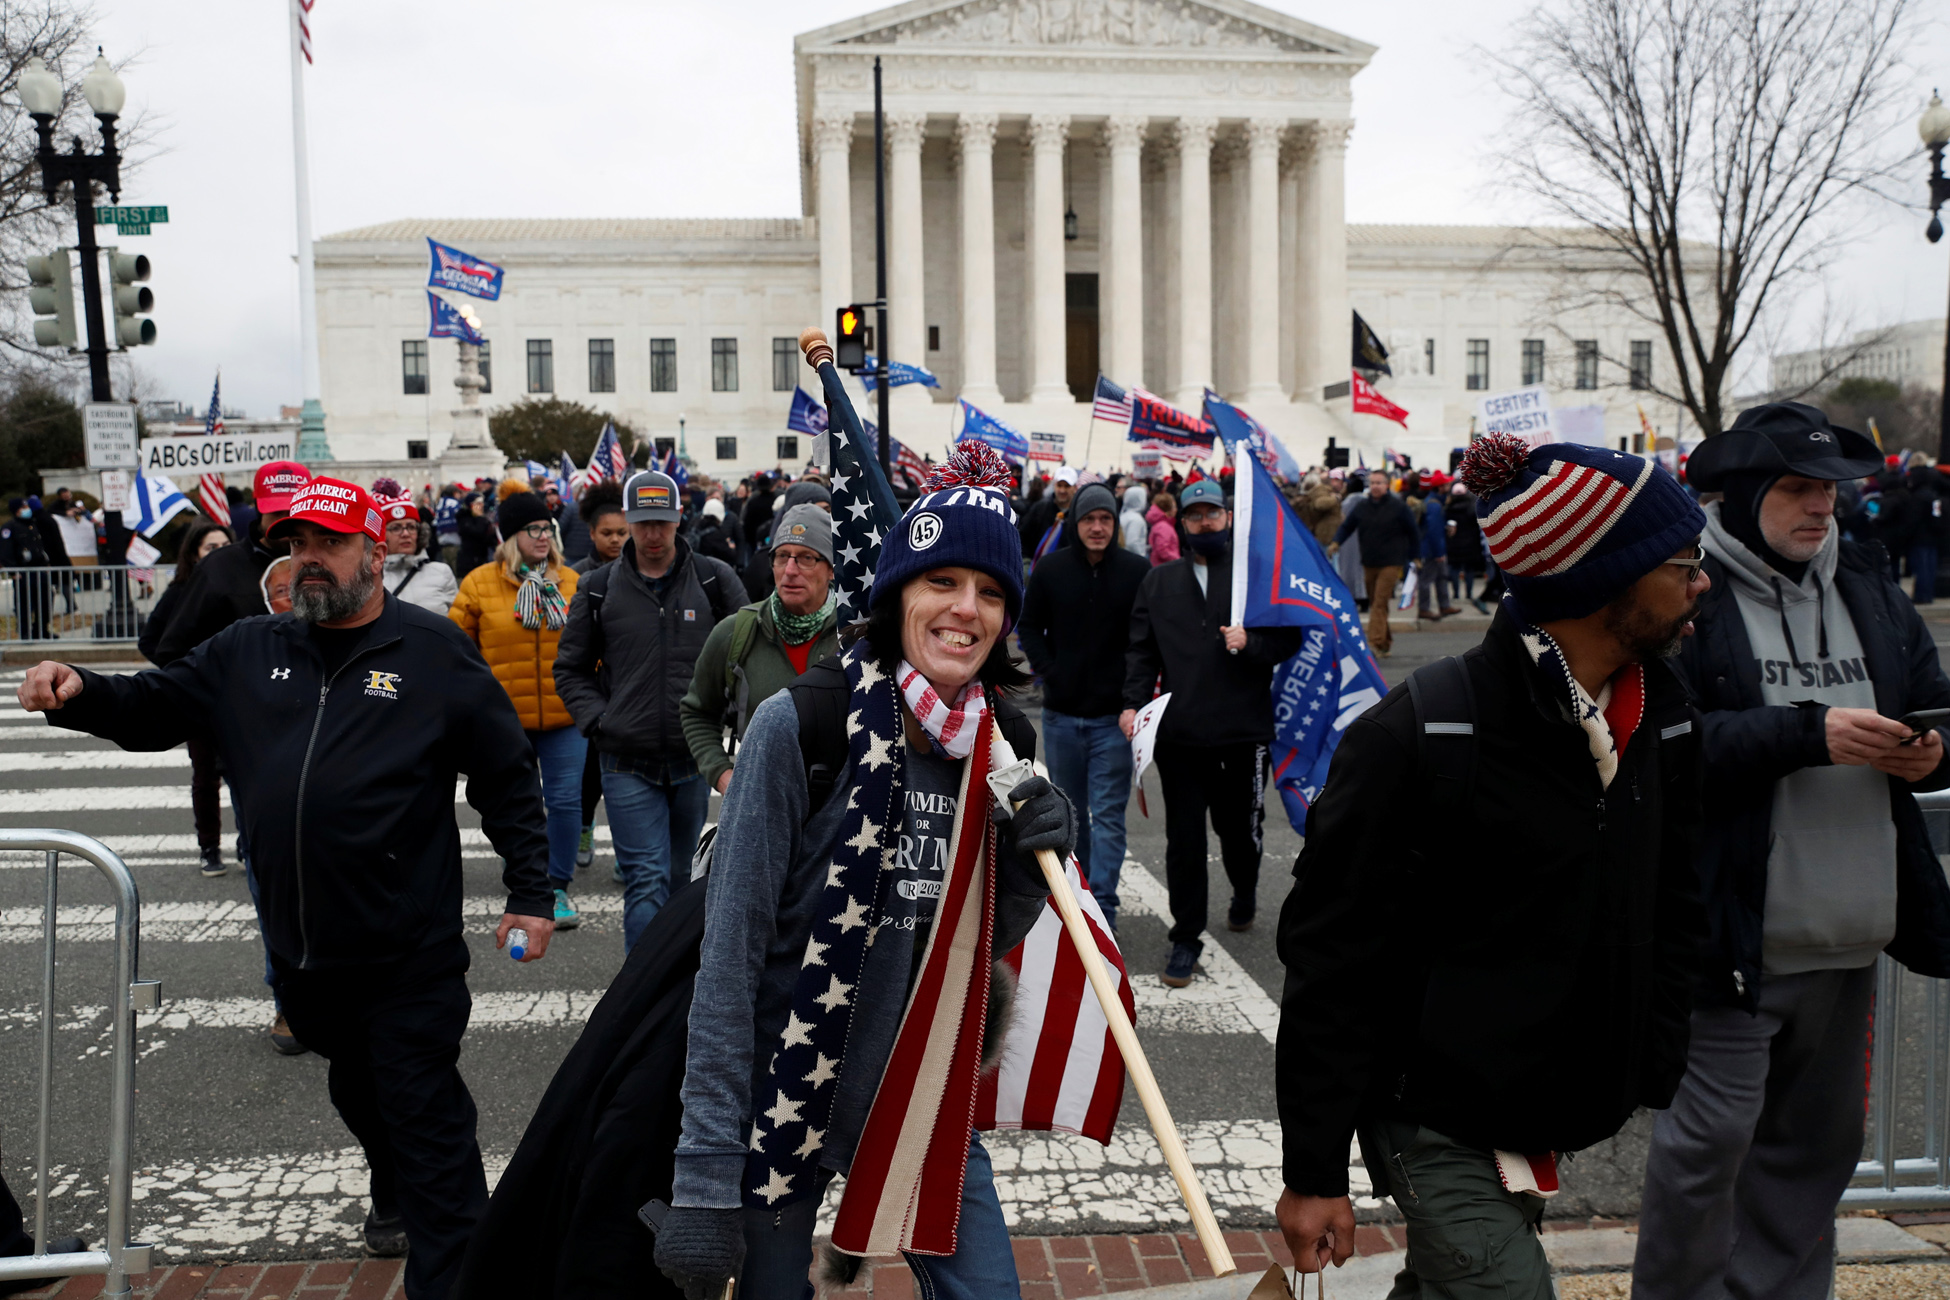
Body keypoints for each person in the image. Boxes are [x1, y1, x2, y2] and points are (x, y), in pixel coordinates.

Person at [17, 476, 555, 1300]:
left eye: (329, 544)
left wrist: (529, 889)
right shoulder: (247, 650)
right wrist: (80, 691)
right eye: (297, 544)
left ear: (375, 551)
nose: (308, 560)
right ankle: (398, 1182)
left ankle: (455, 1274)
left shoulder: (432, 652)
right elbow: (155, 705)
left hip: (407, 954)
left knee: (428, 1125)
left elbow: (506, 776)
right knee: (357, 1084)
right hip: (304, 956)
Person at [1274, 436, 1709, 1297]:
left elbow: (1673, 896)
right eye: (1681, 563)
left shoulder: (1665, 714)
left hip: (1546, 1103)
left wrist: (1653, 1053)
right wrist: (1314, 1170)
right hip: (1432, 1112)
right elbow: (1332, 963)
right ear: (1600, 578)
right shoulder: (1420, 735)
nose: (1701, 581)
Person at [654, 442, 1073, 1300]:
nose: (967, 611)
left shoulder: (1003, 746)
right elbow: (730, 958)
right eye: (942, 583)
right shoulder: (799, 725)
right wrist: (702, 1179)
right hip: (786, 1093)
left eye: (991, 593)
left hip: (923, 1084)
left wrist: (1040, 861)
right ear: (896, 595)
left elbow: (978, 933)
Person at [1635, 403, 1950, 1300]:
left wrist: (1932, 750)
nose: (1823, 509)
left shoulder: (1871, 592)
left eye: (1831, 492)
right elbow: (1666, 745)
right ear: (1739, 498)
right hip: (1734, 941)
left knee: (1818, 1153)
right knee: (1709, 1149)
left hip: (1850, 933)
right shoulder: (1686, 598)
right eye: (1800, 490)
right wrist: (1805, 735)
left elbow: (1931, 699)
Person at [555, 469, 749, 950]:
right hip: (625, 759)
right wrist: (599, 720)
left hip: (693, 759)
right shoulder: (598, 587)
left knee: (682, 880)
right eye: (643, 523)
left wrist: (726, 712)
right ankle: (640, 1001)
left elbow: (747, 653)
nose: (653, 534)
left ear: (679, 518)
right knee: (646, 879)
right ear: (629, 520)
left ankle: (672, 991)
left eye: (662, 522)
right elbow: (570, 668)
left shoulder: (713, 578)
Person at [1121, 478, 1303, 987]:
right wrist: (1132, 703)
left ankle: (1244, 891)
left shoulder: (1254, 578)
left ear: (1227, 519)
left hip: (1242, 735)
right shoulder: (1159, 583)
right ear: (1181, 522)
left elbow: (1290, 637)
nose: (1204, 523)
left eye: (1212, 514)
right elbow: (1141, 651)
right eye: (1195, 515)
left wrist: (1253, 642)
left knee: (1239, 833)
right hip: (1180, 737)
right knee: (1183, 841)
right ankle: (1186, 937)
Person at [451, 488, 587, 932]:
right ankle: (525, 879)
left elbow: (592, 643)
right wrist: (475, 699)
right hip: (504, 720)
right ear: (511, 536)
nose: (543, 536)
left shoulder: (572, 582)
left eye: (547, 528)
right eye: (533, 529)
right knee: (513, 803)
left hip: (565, 716)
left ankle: (557, 884)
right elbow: (457, 650)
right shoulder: (478, 584)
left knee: (566, 802)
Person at [1020, 482, 1149, 931]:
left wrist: (1135, 699)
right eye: (1089, 519)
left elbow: (1144, 642)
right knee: (1073, 816)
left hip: (1113, 719)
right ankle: (1082, 899)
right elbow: (1029, 625)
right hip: (1060, 716)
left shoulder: (1137, 571)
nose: (1097, 527)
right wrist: (1049, 670)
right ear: (1075, 522)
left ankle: (1106, 907)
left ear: (1116, 524)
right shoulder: (1051, 570)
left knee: (1109, 815)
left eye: (1106, 519)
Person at [681, 503, 841, 797]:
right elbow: (697, 712)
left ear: (832, 568)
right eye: (782, 557)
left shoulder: (855, 638)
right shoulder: (735, 632)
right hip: (761, 807)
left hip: (839, 814)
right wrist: (723, 776)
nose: (790, 570)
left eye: (806, 558)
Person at [138, 519, 233, 877]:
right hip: (203, 700)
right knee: (206, 776)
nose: (220, 554)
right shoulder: (181, 592)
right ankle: (209, 847)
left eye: (226, 547)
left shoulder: (244, 587)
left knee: (251, 770)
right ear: (194, 554)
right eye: (211, 548)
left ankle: (249, 840)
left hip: (246, 695)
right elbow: (150, 642)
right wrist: (186, 676)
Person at [154, 461, 311, 664]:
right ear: (258, 510)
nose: (284, 522)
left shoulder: (328, 563)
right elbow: (173, 650)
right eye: (276, 513)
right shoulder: (218, 567)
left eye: (293, 513)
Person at [1331, 470, 1419, 657]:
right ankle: (1385, 642)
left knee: (1379, 602)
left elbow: (1413, 532)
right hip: (1369, 561)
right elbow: (1347, 526)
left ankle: (1374, 643)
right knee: (1376, 602)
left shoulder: (1399, 507)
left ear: (1387, 485)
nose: (1375, 486)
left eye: (1379, 483)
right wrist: (1336, 542)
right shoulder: (1362, 506)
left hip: (1391, 562)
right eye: (1372, 483)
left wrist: (1416, 556)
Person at [372, 479, 458, 616]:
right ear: (381, 536)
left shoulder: (441, 573)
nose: (405, 534)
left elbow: (456, 623)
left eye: (411, 527)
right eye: (395, 528)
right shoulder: (368, 578)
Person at [1, 497, 55, 641]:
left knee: (45, 601)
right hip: (23, 572)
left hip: (40, 570)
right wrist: (13, 571)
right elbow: (6, 552)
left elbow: (40, 547)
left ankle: (42, 630)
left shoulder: (33, 524)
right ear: (16, 511)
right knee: (24, 604)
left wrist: (46, 564)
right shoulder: (10, 527)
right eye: (23, 508)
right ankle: (25, 632)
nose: (26, 510)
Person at [454, 493, 497, 578]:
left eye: (482, 502)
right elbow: (477, 532)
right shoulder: (464, 518)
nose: (482, 505)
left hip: (482, 558)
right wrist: (479, 518)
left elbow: (490, 539)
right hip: (468, 562)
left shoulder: (484, 519)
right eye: (478, 503)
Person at [1145, 490, 1180, 566]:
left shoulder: (1161, 524)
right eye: (1174, 506)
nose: (1176, 510)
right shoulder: (1163, 527)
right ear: (1167, 509)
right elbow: (1162, 550)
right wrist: (1177, 559)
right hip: (1166, 567)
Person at [1119, 483, 1151, 558]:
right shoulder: (1136, 519)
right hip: (1134, 558)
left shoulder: (1123, 516)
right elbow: (1132, 542)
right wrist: (1142, 555)